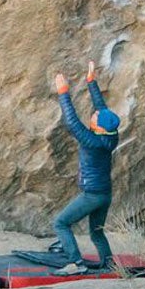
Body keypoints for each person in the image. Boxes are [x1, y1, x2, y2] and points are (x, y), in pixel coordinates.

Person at [50, 60, 118, 273]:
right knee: (96, 233)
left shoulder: (92, 142)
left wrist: (63, 93)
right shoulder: (110, 135)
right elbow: (102, 107)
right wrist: (91, 81)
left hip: (92, 195)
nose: (95, 113)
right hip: (104, 194)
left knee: (60, 223)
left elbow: (72, 122)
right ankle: (109, 264)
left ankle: (75, 263)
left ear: (97, 127)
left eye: (96, 117)